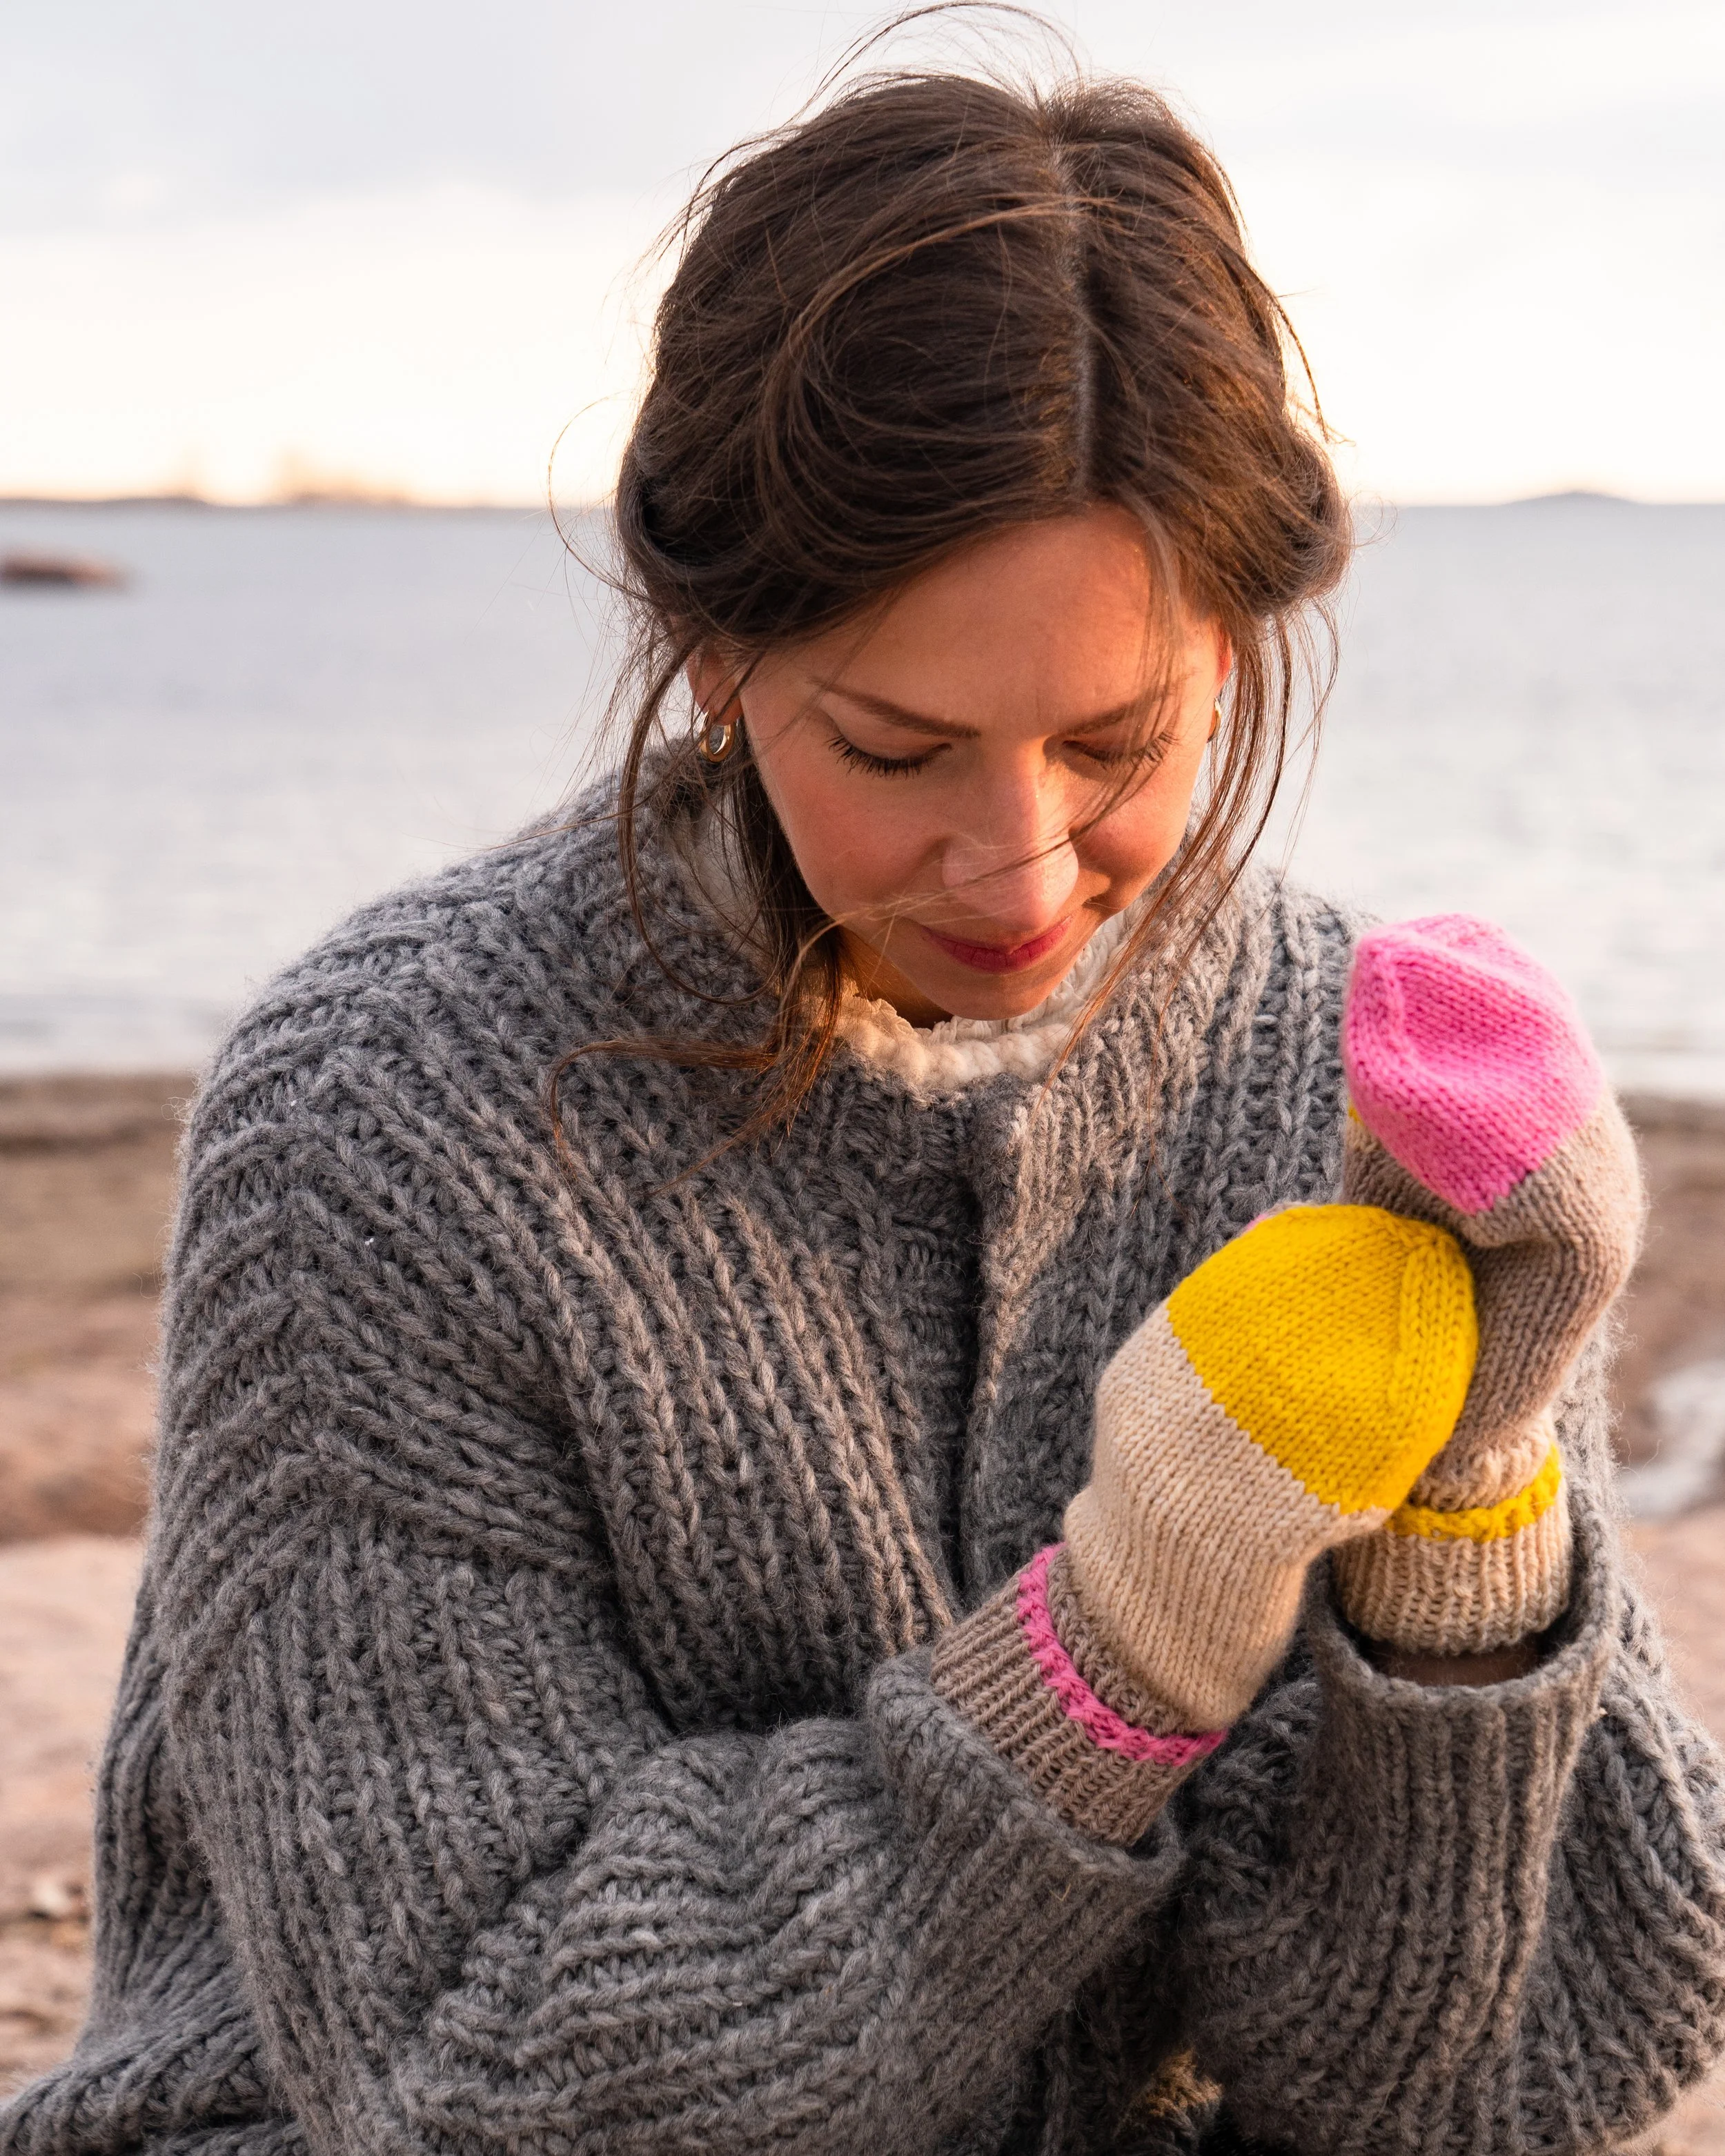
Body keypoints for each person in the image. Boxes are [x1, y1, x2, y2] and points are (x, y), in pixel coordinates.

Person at [6, 58, 1724, 2156]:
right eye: (896, 749)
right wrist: (1111, 1657)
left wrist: (1472, 1530)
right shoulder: (381, 1128)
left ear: (1238, 649)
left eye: (1117, 740)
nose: (1019, 870)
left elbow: (1485, 2090)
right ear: (713, 650)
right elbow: (478, 2068)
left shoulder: (1355, 1080)